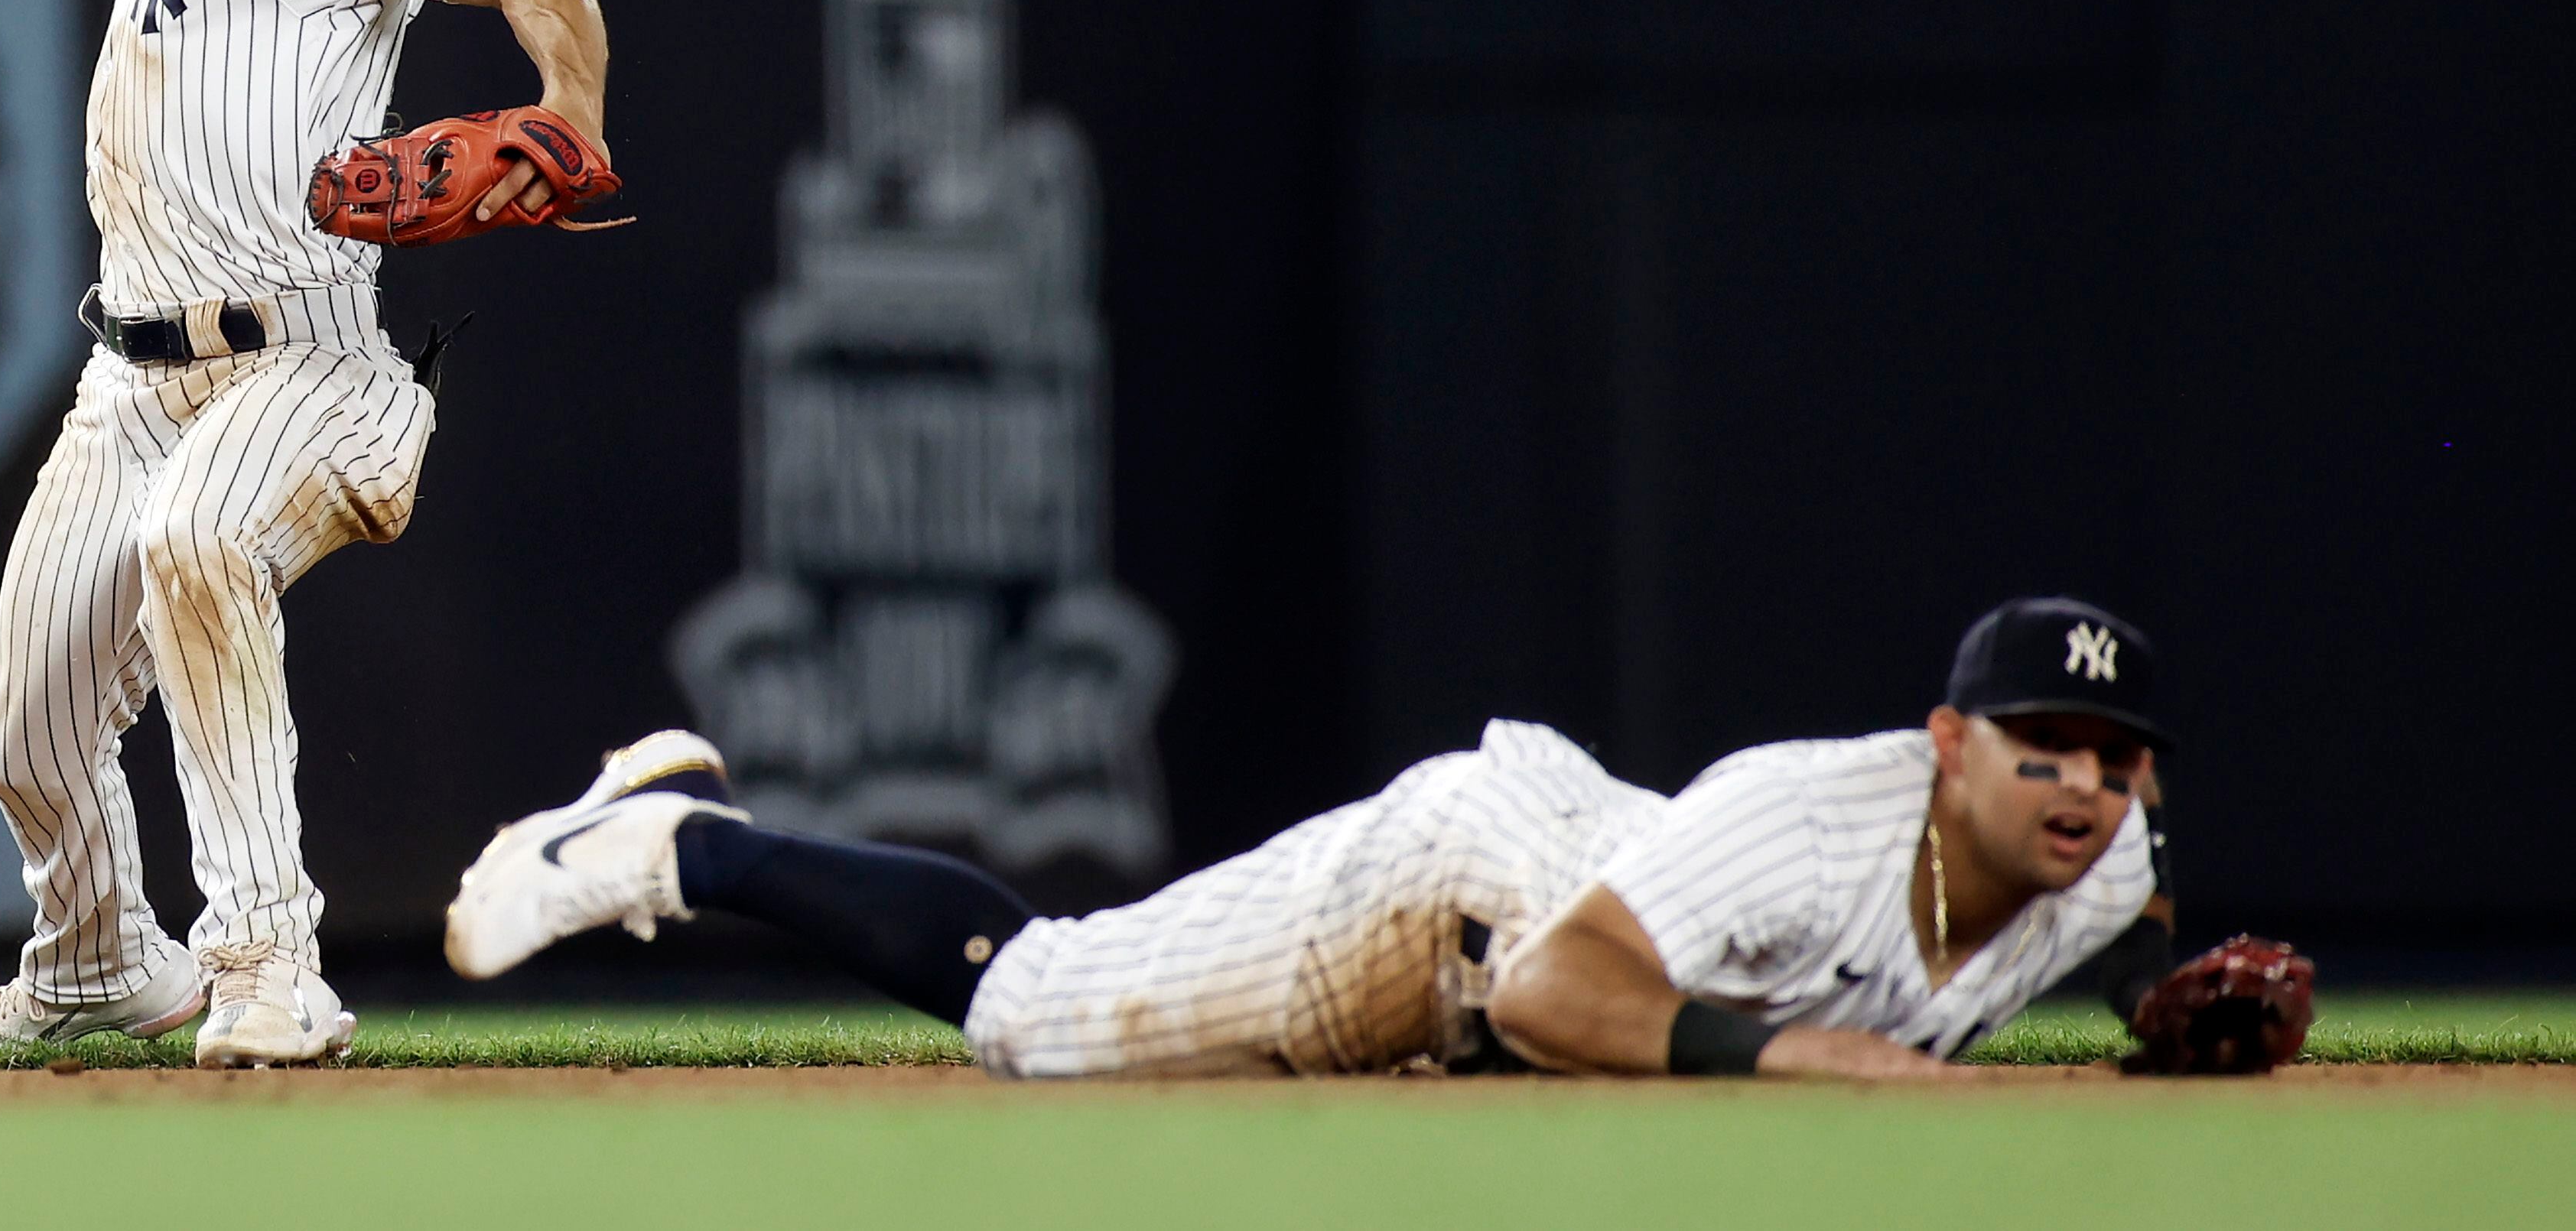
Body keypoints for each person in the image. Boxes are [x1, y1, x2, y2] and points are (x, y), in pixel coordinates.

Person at [0, 0, 615, 1068]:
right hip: (131, 377)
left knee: (201, 537)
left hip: (302, 359)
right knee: (27, 741)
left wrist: (571, 103)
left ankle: (269, 961)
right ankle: (97, 957)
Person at [446, 596, 2182, 1080]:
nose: (2078, 789)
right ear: (1947, 742)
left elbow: (2139, 925)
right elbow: (1554, 991)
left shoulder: (2099, 859)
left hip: (1601, 897)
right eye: (2042, 748)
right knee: (1034, 1013)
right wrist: (1796, 1058)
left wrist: (2175, 1014)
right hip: (1458, 898)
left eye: (2110, 760)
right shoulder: (1806, 824)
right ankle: (683, 839)